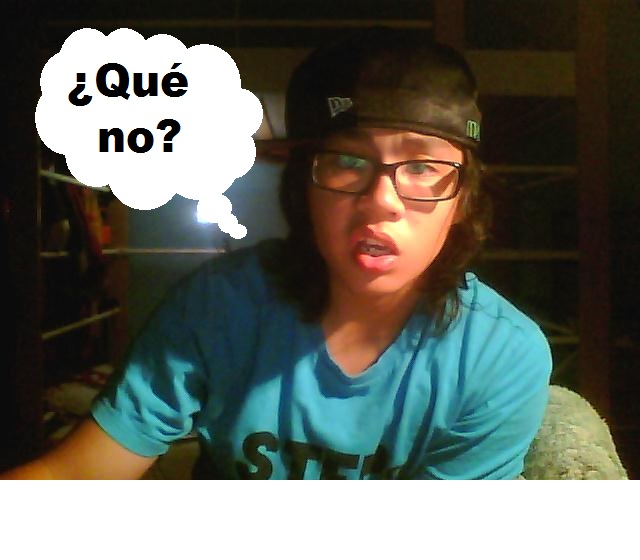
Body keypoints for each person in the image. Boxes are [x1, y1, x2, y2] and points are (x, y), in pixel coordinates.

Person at [2, 26, 552, 480]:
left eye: (423, 167)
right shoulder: (221, 304)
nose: (381, 201)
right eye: (347, 162)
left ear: (461, 198)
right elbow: (77, 474)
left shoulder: (500, 355)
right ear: (302, 187)